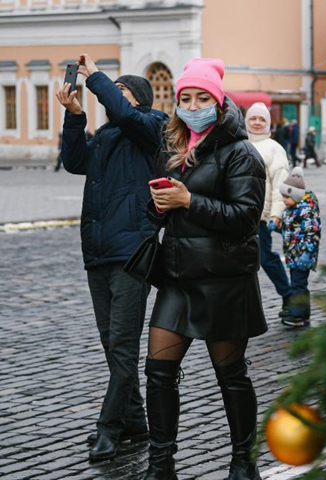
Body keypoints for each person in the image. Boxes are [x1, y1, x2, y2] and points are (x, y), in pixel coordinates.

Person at [143, 58, 267, 480]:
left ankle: (243, 462)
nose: (192, 105)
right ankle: (161, 467)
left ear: (217, 103)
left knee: (230, 376)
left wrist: (189, 201)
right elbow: (166, 212)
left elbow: (246, 218)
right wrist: (159, 203)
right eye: (184, 98)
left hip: (224, 280)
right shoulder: (174, 148)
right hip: (177, 279)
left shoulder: (241, 153)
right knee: (158, 371)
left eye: (201, 98)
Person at [55, 53, 168, 462]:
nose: (112, 96)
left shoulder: (151, 127)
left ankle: (108, 427)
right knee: (111, 343)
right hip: (99, 253)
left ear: (138, 99)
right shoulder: (106, 136)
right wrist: (74, 116)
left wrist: (96, 78)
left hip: (132, 252)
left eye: (121, 91)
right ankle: (135, 419)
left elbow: (124, 113)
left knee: (122, 343)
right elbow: (74, 162)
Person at [244, 102, 293, 317]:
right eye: (253, 118)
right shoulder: (240, 143)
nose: (256, 123)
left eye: (261, 119)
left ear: (268, 123)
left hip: (260, 216)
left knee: (265, 258)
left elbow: (280, 185)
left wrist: (276, 214)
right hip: (236, 213)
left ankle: (288, 295)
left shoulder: (274, 148)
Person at [278, 167, 321, 327]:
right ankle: (303, 312)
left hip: (303, 254)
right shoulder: (291, 208)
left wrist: (307, 253)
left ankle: (297, 315)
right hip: (293, 253)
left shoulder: (306, 210)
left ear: (295, 195)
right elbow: (290, 229)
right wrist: (276, 226)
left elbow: (312, 232)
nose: (283, 200)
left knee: (298, 284)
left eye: (286, 197)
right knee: (298, 283)